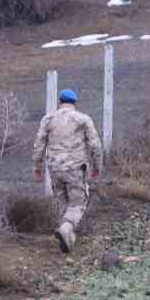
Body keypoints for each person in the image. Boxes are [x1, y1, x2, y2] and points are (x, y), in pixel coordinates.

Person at [31, 88, 103, 254]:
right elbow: (95, 145)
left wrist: (37, 167)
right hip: (76, 168)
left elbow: (39, 144)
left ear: (60, 102)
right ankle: (66, 228)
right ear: (74, 103)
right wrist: (97, 167)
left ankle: (67, 239)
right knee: (78, 203)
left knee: (62, 202)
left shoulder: (48, 119)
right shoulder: (83, 119)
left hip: (55, 169)